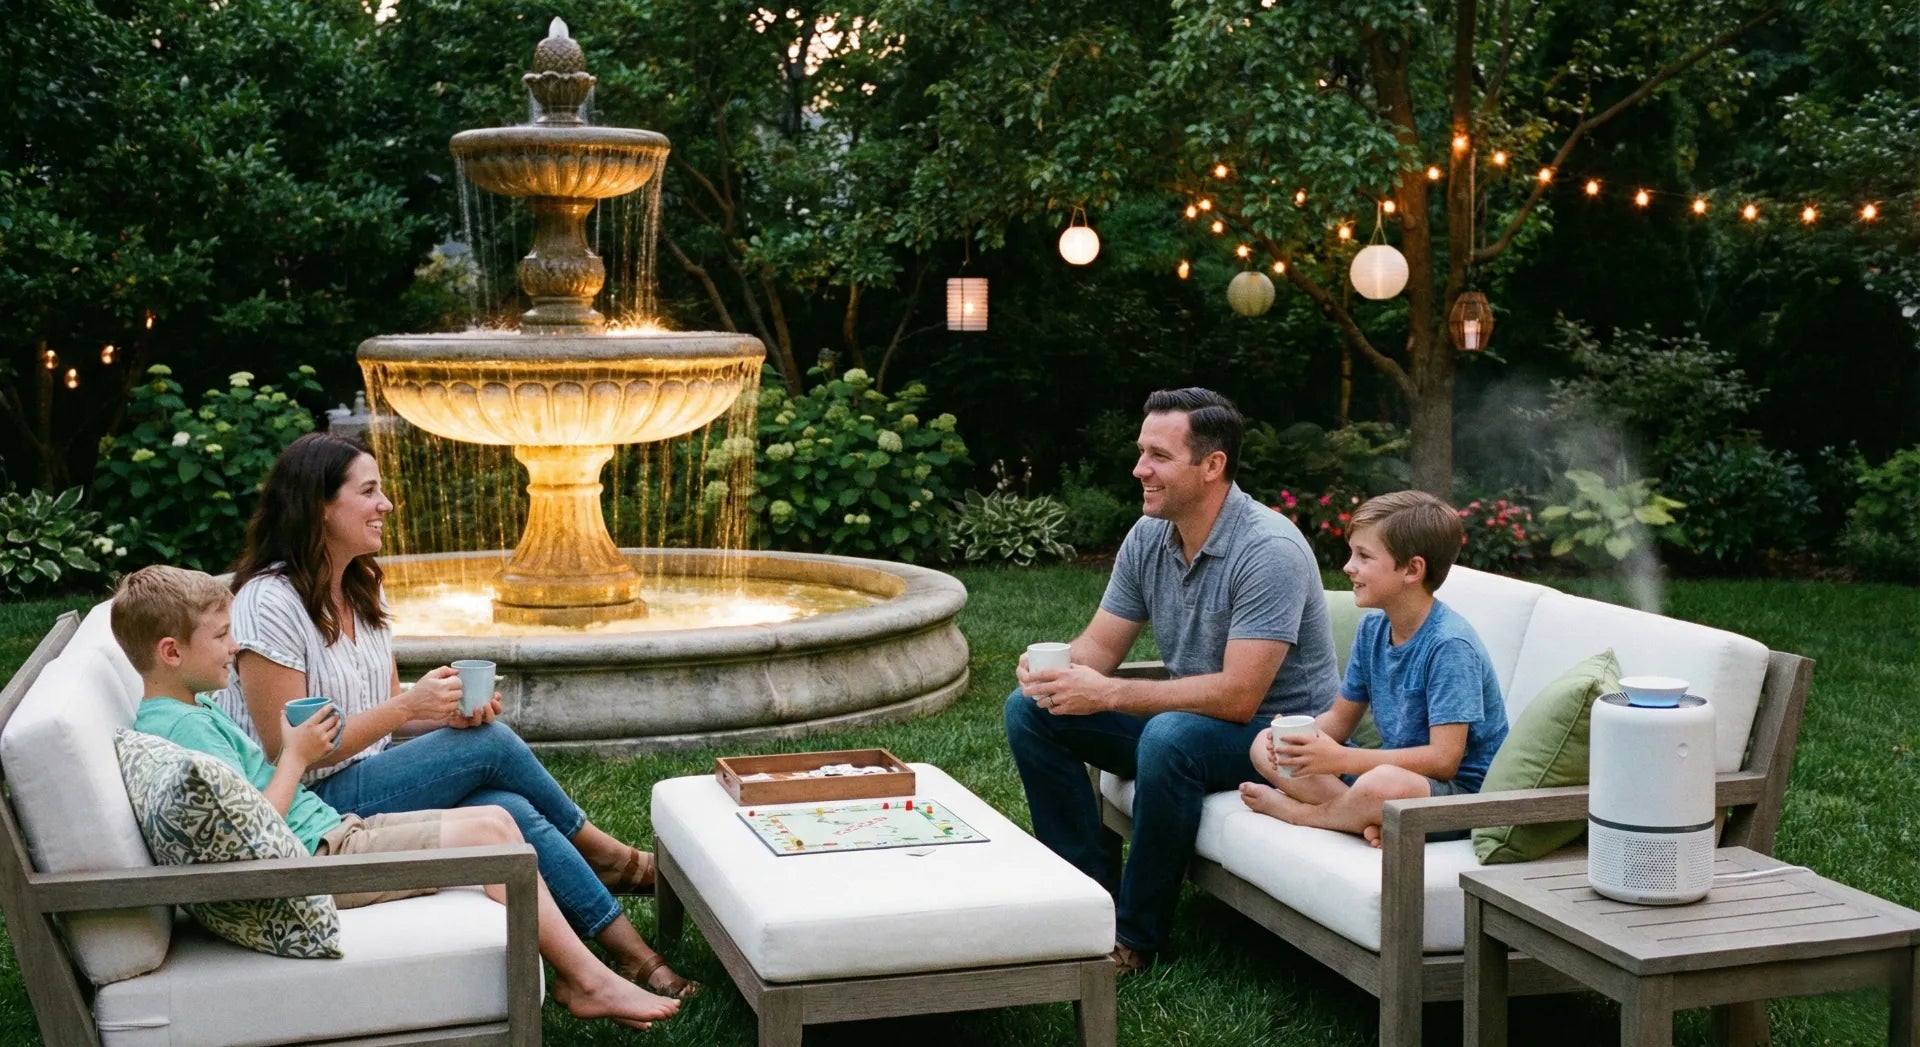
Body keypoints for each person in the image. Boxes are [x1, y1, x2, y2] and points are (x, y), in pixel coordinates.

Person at [215, 431, 693, 997]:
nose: (385, 505)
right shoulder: (269, 602)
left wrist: (442, 716)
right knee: (489, 748)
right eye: (369, 492)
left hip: (367, 775)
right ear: (319, 507)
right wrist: (406, 708)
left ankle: (632, 958)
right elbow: (282, 748)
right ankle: (608, 854)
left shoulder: (361, 589)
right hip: (310, 804)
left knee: (506, 803)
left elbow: (386, 719)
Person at [111, 565, 681, 1031]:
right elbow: (253, 830)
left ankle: (589, 963)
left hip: (332, 834)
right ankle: (587, 978)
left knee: (498, 814)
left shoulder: (187, 710)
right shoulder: (184, 730)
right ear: (170, 652)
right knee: (493, 832)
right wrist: (297, 755)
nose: (233, 647)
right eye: (219, 636)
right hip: (321, 858)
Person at [1004, 388, 1340, 975]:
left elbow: (1239, 698)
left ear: (1212, 466)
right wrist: (1050, 671)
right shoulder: (1148, 536)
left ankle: (1136, 937)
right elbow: (1100, 649)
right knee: (1029, 710)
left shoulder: (1269, 549)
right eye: (1141, 452)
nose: (1140, 469)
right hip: (1193, 726)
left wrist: (1110, 694)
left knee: (1169, 738)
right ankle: (1086, 900)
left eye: (1158, 455)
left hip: (1279, 742)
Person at [1239, 490, 1509, 847]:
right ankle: (1355, 814)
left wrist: (1340, 757)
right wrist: (1298, 741)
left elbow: (1444, 760)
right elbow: (1338, 721)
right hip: (1388, 778)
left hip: (1451, 797)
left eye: (1364, 556)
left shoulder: (1449, 645)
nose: (1349, 566)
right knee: (1264, 743)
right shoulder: (1372, 629)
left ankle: (1304, 814)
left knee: (1382, 784)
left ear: (1412, 569)